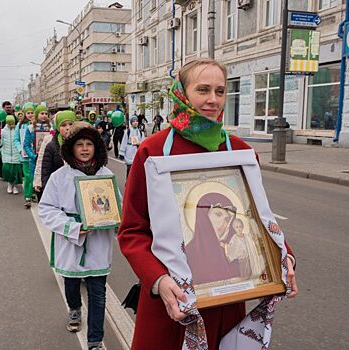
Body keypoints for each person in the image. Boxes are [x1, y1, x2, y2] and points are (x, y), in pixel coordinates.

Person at [117, 58, 298, 350]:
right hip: (170, 304)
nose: (213, 100)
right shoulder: (152, 151)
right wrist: (159, 280)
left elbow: (257, 220)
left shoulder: (240, 152)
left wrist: (283, 258)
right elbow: (132, 231)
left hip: (227, 303)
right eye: (203, 90)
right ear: (183, 94)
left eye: (220, 91)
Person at [38, 122, 116, 350]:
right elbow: (47, 209)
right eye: (79, 144)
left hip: (99, 243)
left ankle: (95, 341)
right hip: (71, 242)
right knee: (71, 283)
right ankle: (74, 309)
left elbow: (116, 206)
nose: (84, 148)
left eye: (89, 144)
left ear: (96, 147)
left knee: (98, 293)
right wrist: (72, 227)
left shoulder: (105, 174)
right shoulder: (59, 176)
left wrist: (116, 221)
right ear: (71, 147)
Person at [22, 104, 51, 206]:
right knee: (34, 180)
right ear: (37, 114)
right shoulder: (30, 128)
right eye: (42, 113)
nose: (44, 115)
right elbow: (26, 145)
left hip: (48, 159)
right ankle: (30, 196)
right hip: (35, 160)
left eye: (46, 113)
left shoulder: (51, 127)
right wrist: (33, 156)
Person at [40, 110, 76, 194]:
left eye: (71, 124)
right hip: (59, 190)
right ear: (58, 128)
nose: (67, 128)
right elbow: (46, 172)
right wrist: (48, 191)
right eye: (63, 125)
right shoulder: (51, 146)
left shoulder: (83, 143)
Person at [1, 115, 22, 194]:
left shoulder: (17, 130)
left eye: (13, 123)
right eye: (9, 124)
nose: (11, 125)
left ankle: (15, 186)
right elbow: (1, 143)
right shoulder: (3, 131)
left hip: (16, 153)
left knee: (15, 171)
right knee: (7, 169)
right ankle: (9, 184)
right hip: (6, 152)